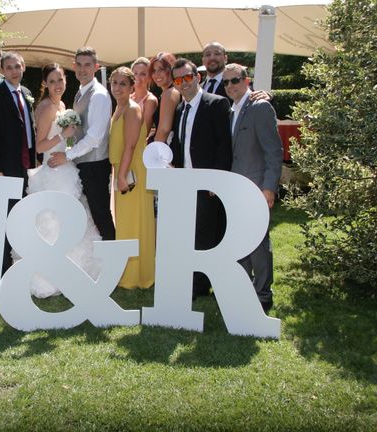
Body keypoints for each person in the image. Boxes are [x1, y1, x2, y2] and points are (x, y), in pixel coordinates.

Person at [21, 63, 101, 297]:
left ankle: (74, 270)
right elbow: (38, 146)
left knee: (72, 221)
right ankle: (49, 277)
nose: (57, 85)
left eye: (61, 80)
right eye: (52, 81)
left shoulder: (63, 105)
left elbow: (60, 143)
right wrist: (62, 135)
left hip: (65, 167)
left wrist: (67, 145)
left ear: (66, 80)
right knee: (53, 222)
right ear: (45, 83)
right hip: (52, 171)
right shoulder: (46, 107)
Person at [169, 58, 232, 299]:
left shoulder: (216, 104)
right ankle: (193, 279)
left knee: (205, 235)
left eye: (187, 77)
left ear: (197, 77)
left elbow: (224, 146)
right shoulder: (179, 108)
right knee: (189, 233)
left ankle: (199, 286)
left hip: (207, 183)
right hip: (184, 182)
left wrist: (216, 180)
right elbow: (181, 143)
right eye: (178, 80)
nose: (183, 83)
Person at [224, 63, 283, 313]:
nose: (230, 86)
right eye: (226, 82)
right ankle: (244, 289)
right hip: (235, 189)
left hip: (257, 187)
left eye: (234, 80)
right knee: (239, 241)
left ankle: (263, 294)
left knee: (258, 243)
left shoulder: (260, 107)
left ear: (247, 81)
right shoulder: (231, 110)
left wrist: (269, 187)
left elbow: (274, 151)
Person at [47, 46, 115, 241]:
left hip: (95, 164)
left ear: (96, 66)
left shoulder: (99, 95)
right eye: (79, 64)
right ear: (73, 66)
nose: (82, 69)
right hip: (83, 163)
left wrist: (66, 155)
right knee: (90, 216)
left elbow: (94, 137)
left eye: (87, 65)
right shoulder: (81, 91)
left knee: (100, 215)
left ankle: (114, 263)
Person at [0, 51, 36, 273]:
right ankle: (4, 267)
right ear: (3, 71)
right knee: (6, 217)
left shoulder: (26, 93)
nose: (14, 71)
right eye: (10, 67)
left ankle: (23, 261)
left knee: (24, 215)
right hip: (5, 168)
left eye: (17, 66)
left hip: (27, 166)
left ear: (23, 67)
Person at [108, 67, 155, 289]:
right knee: (125, 223)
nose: (117, 88)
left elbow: (130, 145)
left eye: (122, 84)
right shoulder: (118, 108)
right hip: (122, 170)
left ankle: (137, 276)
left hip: (132, 173)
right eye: (114, 83)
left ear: (132, 86)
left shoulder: (133, 110)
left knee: (134, 222)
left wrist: (123, 175)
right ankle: (126, 272)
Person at [149, 51, 180, 143]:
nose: (156, 74)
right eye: (153, 71)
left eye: (161, 69)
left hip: (166, 151)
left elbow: (164, 130)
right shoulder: (172, 91)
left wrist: (154, 152)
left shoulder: (169, 93)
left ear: (171, 69)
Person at [130, 57, 158, 141]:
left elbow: (144, 132)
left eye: (143, 74)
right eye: (135, 73)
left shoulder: (150, 101)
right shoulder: (128, 98)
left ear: (149, 77)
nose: (137, 77)